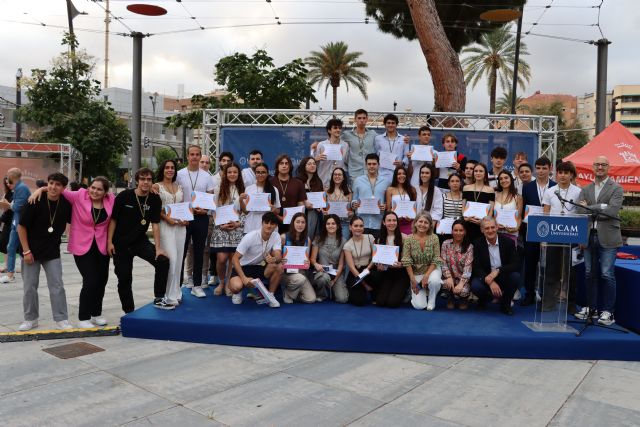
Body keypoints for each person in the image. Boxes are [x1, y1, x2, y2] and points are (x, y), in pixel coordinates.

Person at [29, 176, 115, 326]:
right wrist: (40, 189)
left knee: (101, 280)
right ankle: (84, 317)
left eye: (99, 189)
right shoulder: (79, 195)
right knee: (90, 280)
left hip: (101, 246)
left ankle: (96, 313)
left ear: (105, 192)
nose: (95, 191)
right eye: (93, 187)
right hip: (82, 245)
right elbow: (58, 190)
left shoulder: (111, 200)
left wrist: (154, 187)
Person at [108, 168, 170, 313]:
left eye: (149, 179)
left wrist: (158, 248)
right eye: (142, 179)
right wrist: (109, 242)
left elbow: (155, 224)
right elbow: (113, 220)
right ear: (137, 181)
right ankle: (129, 311)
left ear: (152, 181)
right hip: (121, 244)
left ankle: (159, 298)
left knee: (162, 261)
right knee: (124, 278)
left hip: (140, 241)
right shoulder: (124, 196)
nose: (145, 182)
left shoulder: (154, 199)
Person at [16, 173, 72, 331]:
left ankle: (61, 319)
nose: (54, 187)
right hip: (31, 251)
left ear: (63, 188)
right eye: (51, 183)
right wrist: (26, 251)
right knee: (29, 286)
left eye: (58, 184)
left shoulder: (66, 204)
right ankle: (30, 319)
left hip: (52, 251)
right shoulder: (35, 200)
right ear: (48, 183)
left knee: (57, 286)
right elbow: (21, 226)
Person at [575, 155, 623, 326]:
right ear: (593, 167)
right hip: (588, 236)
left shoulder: (616, 188)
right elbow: (579, 211)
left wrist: (589, 207)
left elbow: (612, 211)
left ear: (608, 167)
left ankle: (608, 312)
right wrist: (601, 207)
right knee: (590, 274)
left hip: (608, 236)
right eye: (597, 164)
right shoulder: (586, 188)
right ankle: (592, 308)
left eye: (603, 164)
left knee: (607, 274)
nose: (600, 167)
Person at [540, 161, 582, 313]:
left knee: (571, 272)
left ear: (571, 175)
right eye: (560, 172)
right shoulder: (550, 191)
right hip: (553, 235)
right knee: (551, 270)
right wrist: (543, 238)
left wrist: (581, 238)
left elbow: (581, 214)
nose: (563, 175)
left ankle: (571, 304)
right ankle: (548, 303)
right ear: (556, 174)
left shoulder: (578, 192)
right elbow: (545, 214)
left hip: (572, 236)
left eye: (566, 173)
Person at [177, 145, 215, 297]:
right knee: (181, 252)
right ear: (187, 156)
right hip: (184, 217)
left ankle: (197, 285)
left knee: (199, 251)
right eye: (191, 154)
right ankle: (177, 287)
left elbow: (210, 196)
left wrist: (205, 210)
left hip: (201, 217)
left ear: (200, 156)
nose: (194, 157)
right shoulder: (179, 174)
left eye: (197, 154)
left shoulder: (207, 176)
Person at [520, 156, 555, 306]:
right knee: (530, 263)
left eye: (544, 168)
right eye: (538, 168)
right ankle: (529, 294)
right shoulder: (527, 187)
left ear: (550, 169)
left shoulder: (555, 187)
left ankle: (547, 295)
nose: (541, 171)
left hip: (550, 230)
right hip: (530, 229)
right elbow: (523, 209)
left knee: (549, 264)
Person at [228, 212, 282, 308]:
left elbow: (278, 255)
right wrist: (244, 278)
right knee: (236, 287)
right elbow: (234, 259)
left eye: (272, 223)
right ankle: (237, 293)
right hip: (243, 267)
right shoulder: (250, 236)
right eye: (266, 222)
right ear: (262, 223)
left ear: (276, 226)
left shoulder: (276, 235)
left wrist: (274, 259)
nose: (269, 226)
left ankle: (270, 296)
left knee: (279, 266)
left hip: (259, 267)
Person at [470, 216, 520, 315]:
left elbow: (515, 264)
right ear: (482, 230)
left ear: (497, 227)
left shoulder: (508, 242)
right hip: (486, 276)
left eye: (492, 227)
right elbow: (476, 267)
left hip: (502, 275)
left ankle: (505, 304)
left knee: (515, 276)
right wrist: (490, 282)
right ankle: (485, 299)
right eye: (487, 228)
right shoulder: (477, 244)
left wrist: (498, 271)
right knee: (475, 286)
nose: (490, 230)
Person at [156, 160, 188, 307]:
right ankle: (168, 296)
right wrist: (166, 218)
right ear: (162, 170)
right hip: (166, 227)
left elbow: (184, 207)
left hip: (180, 228)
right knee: (172, 261)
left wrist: (186, 219)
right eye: (167, 167)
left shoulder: (179, 187)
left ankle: (176, 292)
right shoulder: (156, 187)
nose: (170, 170)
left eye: (172, 168)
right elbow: (155, 210)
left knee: (179, 261)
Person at [211, 162, 245, 296]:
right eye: (229, 172)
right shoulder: (218, 189)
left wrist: (238, 223)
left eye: (235, 172)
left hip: (236, 228)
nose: (232, 174)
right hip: (221, 228)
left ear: (238, 174)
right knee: (221, 258)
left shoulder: (243, 189)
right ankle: (221, 282)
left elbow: (245, 211)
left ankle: (228, 284)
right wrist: (220, 224)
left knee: (232, 259)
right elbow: (213, 209)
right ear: (225, 174)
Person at [402, 211, 442, 310]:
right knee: (419, 306)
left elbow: (436, 258)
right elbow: (406, 261)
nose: (422, 225)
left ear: (430, 225)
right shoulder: (408, 239)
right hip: (416, 272)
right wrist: (412, 280)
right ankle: (418, 292)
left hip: (432, 270)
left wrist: (427, 276)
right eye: (420, 221)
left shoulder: (434, 238)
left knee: (435, 281)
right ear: (415, 223)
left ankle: (432, 300)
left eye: (426, 222)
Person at [368, 211, 409, 308]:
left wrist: (401, 264)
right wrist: (379, 266)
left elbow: (407, 258)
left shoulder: (404, 237)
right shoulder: (379, 239)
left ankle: (406, 291)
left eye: (394, 220)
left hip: (401, 273)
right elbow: (376, 259)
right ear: (384, 222)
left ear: (397, 222)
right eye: (389, 220)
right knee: (380, 302)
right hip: (387, 273)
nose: (392, 223)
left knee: (392, 303)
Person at [0, 168, 30, 284]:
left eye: (8, 177)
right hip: (16, 222)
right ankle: (11, 273)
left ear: (11, 177)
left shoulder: (21, 188)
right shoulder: (20, 187)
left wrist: (7, 205)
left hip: (19, 223)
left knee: (13, 247)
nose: (7, 180)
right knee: (12, 247)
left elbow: (17, 207)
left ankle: (11, 274)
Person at [310, 214, 347, 303]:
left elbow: (341, 264)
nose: (330, 226)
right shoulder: (318, 239)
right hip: (322, 271)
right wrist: (315, 264)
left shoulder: (343, 241)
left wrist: (334, 280)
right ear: (325, 225)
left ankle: (332, 289)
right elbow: (312, 259)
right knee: (323, 278)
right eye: (328, 224)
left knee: (342, 299)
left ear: (338, 226)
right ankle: (321, 294)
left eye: (333, 223)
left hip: (336, 272)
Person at [280, 212, 316, 303]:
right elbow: (276, 257)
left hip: (301, 272)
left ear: (306, 224)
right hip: (286, 273)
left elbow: (307, 259)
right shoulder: (283, 237)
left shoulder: (307, 240)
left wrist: (307, 263)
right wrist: (281, 260)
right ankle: (288, 291)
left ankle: (291, 293)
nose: (300, 225)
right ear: (293, 223)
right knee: (300, 279)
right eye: (298, 222)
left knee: (311, 299)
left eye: (303, 222)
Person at [351, 153, 389, 239]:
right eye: (369, 164)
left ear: (379, 165)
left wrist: (385, 206)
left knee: (376, 246)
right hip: (361, 224)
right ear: (366, 165)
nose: (371, 166)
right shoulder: (358, 180)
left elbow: (387, 202)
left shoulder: (386, 181)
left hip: (378, 223)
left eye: (374, 164)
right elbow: (354, 199)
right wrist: (354, 204)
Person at [340, 109, 380, 185]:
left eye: (364, 118)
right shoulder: (347, 135)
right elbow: (334, 141)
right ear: (355, 119)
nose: (362, 120)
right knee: (355, 192)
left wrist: (403, 140)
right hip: (354, 172)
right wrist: (318, 144)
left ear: (367, 119)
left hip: (370, 172)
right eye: (359, 118)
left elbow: (385, 140)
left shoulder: (373, 134)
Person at [440, 219, 473, 310]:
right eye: (455, 230)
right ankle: (450, 297)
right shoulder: (445, 243)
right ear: (452, 231)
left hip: (463, 278)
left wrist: (461, 284)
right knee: (445, 284)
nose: (458, 233)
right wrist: (448, 277)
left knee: (463, 292)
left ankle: (463, 299)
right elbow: (443, 262)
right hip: (449, 277)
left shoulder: (469, 247)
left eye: (461, 230)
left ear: (465, 232)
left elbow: (468, 268)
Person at [343, 216, 376, 306]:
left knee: (377, 276)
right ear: (350, 227)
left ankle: (374, 290)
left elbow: (375, 257)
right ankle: (365, 288)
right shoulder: (347, 245)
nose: (358, 228)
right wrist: (365, 285)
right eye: (356, 226)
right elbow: (351, 267)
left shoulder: (370, 237)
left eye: (361, 226)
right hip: (356, 273)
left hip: (369, 269)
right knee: (358, 302)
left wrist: (368, 269)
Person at [270, 154, 307, 234]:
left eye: (286, 163)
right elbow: (268, 204)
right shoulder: (270, 182)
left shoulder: (298, 183)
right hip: (273, 221)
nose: (284, 166)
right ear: (277, 166)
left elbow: (300, 204)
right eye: (281, 163)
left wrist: (298, 220)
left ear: (290, 166)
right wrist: (279, 217)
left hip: (293, 222)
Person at [242, 162, 281, 235]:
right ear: (255, 173)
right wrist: (241, 200)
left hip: (268, 226)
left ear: (267, 173)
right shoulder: (248, 189)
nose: (260, 174)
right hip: (251, 226)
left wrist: (273, 209)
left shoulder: (274, 189)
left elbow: (278, 211)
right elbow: (245, 211)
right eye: (258, 172)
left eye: (263, 172)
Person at [462, 162, 495, 243]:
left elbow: (491, 210)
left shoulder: (490, 190)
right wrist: (465, 218)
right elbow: (463, 206)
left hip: (482, 227)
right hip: (468, 224)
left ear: (485, 174)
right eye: (476, 171)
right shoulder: (466, 188)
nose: (478, 173)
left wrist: (484, 222)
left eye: (481, 171)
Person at [313, 118, 349, 189]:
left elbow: (347, 163)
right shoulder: (321, 145)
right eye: (335, 128)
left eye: (339, 128)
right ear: (329, 130)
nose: (338, 130)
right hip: (323, 181)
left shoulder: (345, 145)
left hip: (338, 183)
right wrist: (316, 159)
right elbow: (314, 164)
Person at [374, 113, 409, 181]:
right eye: (388, 123)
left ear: (396, 125)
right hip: (382, 174)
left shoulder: (404, 139)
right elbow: (376, 155)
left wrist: (402, 163)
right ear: (385, 124)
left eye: (393, 123)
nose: (390, 125)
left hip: (398, 174)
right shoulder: (378, 139)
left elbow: (406, 156)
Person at [296, 156, 324, 241]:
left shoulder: (318, 181)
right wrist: (304, 203)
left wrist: (321, 206)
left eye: (314, 164)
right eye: (309, 164)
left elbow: (321, 199)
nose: (312, 165)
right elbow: (294, 198)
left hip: (315, 214)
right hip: (300, 214)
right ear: (304, 166)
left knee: (312, 238)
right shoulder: (297, 181)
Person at [385, 165, 417, 235]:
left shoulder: (412, 189)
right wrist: (394, 218)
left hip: (408, 222)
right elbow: (388, 209)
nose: (401, 176)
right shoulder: (390, 189)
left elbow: (414, 208)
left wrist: (411, 218)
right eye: (399, 174)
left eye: (404, 174)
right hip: (394, 223)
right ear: (395, 176)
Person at [494, 170, 522, 244]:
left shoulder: (517, 197)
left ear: (511, 179)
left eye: (506, 178)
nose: (503, 180)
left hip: (511, 234)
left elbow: (519, 217)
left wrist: (516, 228)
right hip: (495, 233)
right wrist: (495, 225)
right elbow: (491, 215)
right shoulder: (495, 195)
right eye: (501, 179)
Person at [324, 167, 353, 239]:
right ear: (332, 177)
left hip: (344, 223)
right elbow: (323, 208)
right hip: (330, 223)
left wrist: (350, 213)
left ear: (343, 177)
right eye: (335, 174)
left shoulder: (349, 192)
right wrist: (324, 212)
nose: (337, 176)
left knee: (344, 244)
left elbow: (351, 211)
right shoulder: (326, 191)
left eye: (339, 174)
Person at [0, 176, 15, 273]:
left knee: (17, 245)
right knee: (4, 243)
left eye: (9, 182)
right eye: (6, 183)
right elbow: (5, 209)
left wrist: (8, 205)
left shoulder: (19, 192)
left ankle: (13, 267)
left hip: (16, 220)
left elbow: (17, 207)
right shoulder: (7, 193)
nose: (8, 184)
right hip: (7, 219)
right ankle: (7, 266)